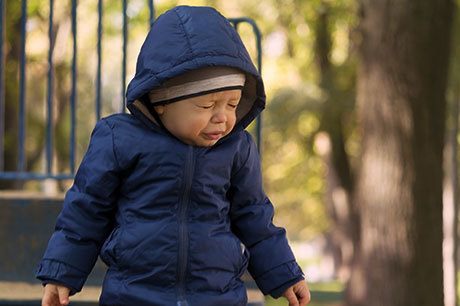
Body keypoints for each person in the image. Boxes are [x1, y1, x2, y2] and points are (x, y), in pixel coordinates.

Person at [36, 5, 311, 306]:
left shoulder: (237, 149)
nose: (223, 118)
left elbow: (255, 216)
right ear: (161, 101)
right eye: (208, 106)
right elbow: (86, 211)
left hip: (217, 295)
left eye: (232, 105)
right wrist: (61, 272)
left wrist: (285, 274)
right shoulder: (119, 139)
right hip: (134, 294)